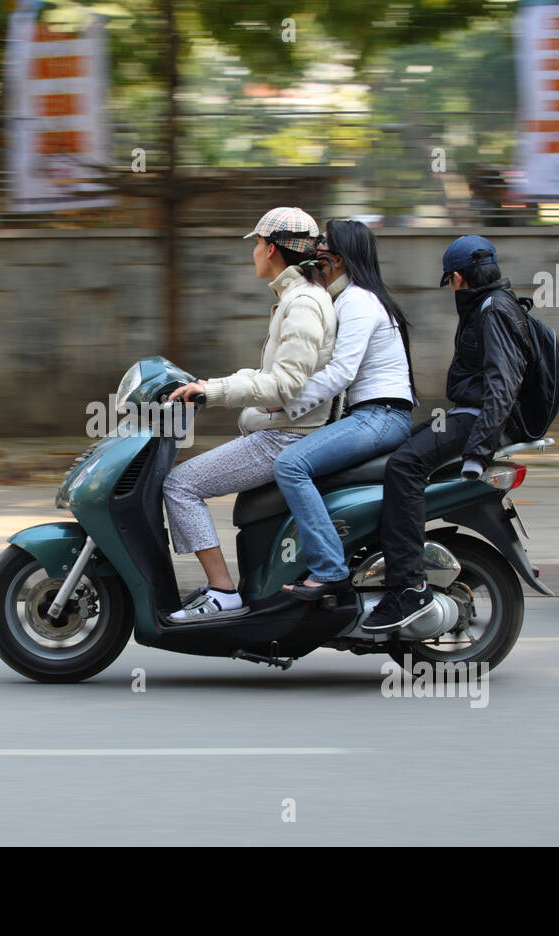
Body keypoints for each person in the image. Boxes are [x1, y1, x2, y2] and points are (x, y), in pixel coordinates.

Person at [164, 207, 337, 620]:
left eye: (257, 244)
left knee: (180, 485)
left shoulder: (302, 304)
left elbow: (285, 385)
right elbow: (270, 376)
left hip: (286, 437)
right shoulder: (294, 300)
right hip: (278, 429)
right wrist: (206, 384)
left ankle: (222, 592)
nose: (254, 252)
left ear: (273, 248)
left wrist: (215, 392)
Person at [361, 235, 533, 633]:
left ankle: (409, 586)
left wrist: (479, 448)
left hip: (480, 421)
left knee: (404, 467)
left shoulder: (493, 311)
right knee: (393, 453)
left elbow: (503, 385)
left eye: (449, 282)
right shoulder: (491, 306)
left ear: (458, 278)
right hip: (470, 415)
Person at [268, 218, 416, 601]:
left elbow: (340, 373)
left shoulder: (358, 301)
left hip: (380, 416)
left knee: (291, 465)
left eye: (323, 243)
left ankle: (330, 570)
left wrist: (286, 404)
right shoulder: (346, 297)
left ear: (342, 255)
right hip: (370, 416)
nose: (315, 249)